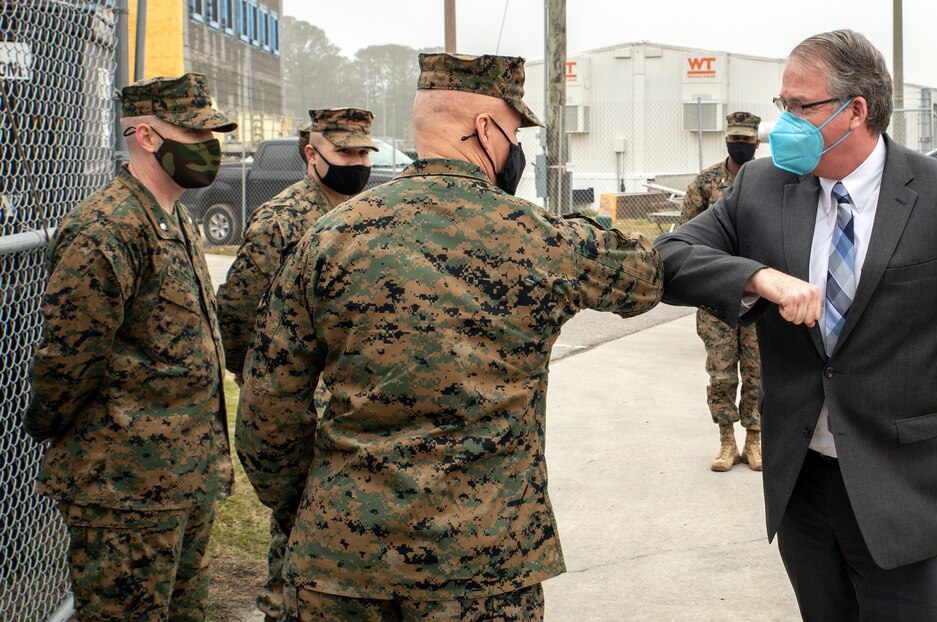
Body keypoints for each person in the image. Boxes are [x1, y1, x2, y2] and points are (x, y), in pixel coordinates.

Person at [235, 52, 663, 621]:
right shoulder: (541, 239)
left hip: (342, 563)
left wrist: (311, 505)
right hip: (482, 567)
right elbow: (645, 278)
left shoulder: (327, 238)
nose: (517, 151)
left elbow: (268, 411)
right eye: (514, 133)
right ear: (485, 130)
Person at [656, 30, 937, 620]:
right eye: (780, 105)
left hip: (907, 485)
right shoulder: (761, 188)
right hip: (802, 484)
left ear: (855, 110)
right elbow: (670, 253)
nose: (782, 121)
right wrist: (758, 276)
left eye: (799, 107)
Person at [23, 73, 236, 621]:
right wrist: (56, 426)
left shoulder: (175, 218)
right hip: (123, 493)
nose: (208, 149)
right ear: (145, 136)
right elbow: (68, 362)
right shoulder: (107, 229)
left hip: (182, 482)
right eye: (194, 135)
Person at [216, 107, 376, 621]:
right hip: (297, 402)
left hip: (350, 398)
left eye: (362, 153)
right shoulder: (281, 221)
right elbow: (238, 307)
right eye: (344, 152)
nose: (356, 162)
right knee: (296, 530)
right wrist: (251, 370)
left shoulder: (369, 214)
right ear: (312, 154)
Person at [681, 111, 764, 472]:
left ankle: (756, 440)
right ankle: (727, 441)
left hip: (760, 294)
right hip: (717, 294)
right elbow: (686, 238)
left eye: (747, 140)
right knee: (721, 372)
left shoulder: (770, 181)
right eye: (736, 139)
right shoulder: (704, 183)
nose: (741, 145)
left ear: (756, 142)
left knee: (758, 371)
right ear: (727, 140)